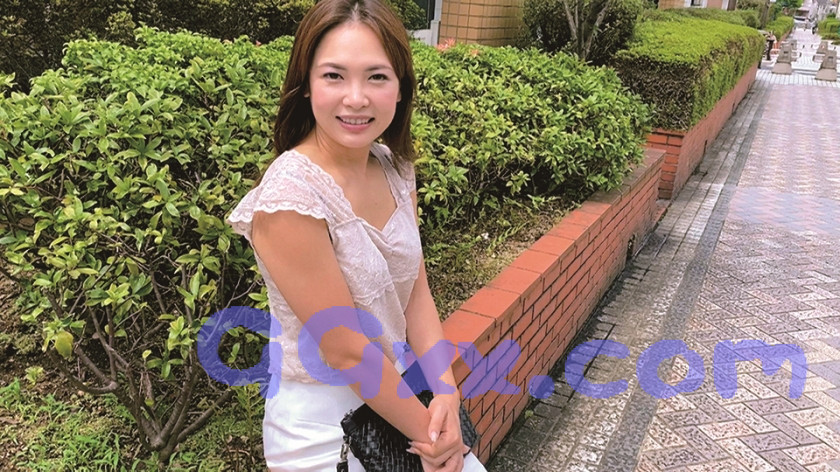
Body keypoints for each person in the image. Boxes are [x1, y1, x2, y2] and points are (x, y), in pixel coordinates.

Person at [226, 0, 488, 470]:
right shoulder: (291, 196)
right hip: (324, 431)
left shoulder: (393, 167)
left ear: (401, 88)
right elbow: (345, 351)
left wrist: (446, 391)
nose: (356, 98)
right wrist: (434, 437)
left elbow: (415, 291)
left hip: (399, 399)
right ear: (306, 84)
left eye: (377, 77)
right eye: (334, 76)